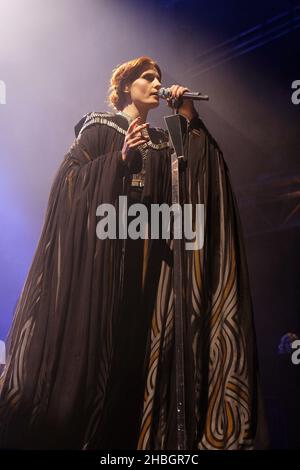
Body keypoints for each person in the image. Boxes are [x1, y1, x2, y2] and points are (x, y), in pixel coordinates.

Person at [0, 56, 268, 450]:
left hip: (152, 268)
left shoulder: (164, 139)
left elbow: (201, 178)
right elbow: (67, 186)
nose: (157, 83)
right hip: (105, 267)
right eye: (147, 77)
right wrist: (118, 161)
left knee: (140, 363)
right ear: (126, 85)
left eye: (159, 77)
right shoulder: (99, 127)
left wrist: (189, 118)